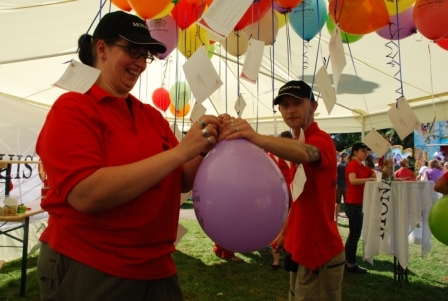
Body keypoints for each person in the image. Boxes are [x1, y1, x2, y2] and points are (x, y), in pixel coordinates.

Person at [35, 11, 223, 301]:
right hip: (93, 264)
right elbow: (87, 193)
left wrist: (204, 146)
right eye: (132, 51)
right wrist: (182, 151)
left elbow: (182, 179)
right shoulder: (72, 107)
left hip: (157, 266)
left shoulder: (150, 116)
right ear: (101, 49)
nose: (139, 63)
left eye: (144, 55)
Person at [219, 80, 345, 300]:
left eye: (297, 103)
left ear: (313, 106)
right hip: (300, 249)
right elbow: (299, 198)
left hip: (320, 252)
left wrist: (257, 138)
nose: (291, 109)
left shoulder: (320, 140)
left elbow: (307, 153)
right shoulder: (296, 141)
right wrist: (286, 232)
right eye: (285, 105)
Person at [345, 142, 376, 274]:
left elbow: (375, 175)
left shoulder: (363, 167)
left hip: (359, 204)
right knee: (354, 234)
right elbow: (352, 180)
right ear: (355, 152)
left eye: (366, 151)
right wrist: (369, 180)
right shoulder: (352, 165)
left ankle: (349, 262)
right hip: (353, 204)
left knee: (355, 234)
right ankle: (350, 263)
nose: (365, 153)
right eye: (363, 151)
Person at [267, 130, 293, 270]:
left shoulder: (272, 154)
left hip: (278, 194)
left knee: (278, 224)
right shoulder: (292, 153)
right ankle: (285, 255)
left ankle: (276, 259)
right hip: (290, 192)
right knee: (289, 224)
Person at [335, 152, 348, 222]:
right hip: (345, 185)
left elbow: (336, 174)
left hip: (338, 185)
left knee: (338, 203)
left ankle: (336, 218)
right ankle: (348, 216)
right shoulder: (347, 165)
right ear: (345, 157)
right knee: (347, 202)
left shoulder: (337, 164)